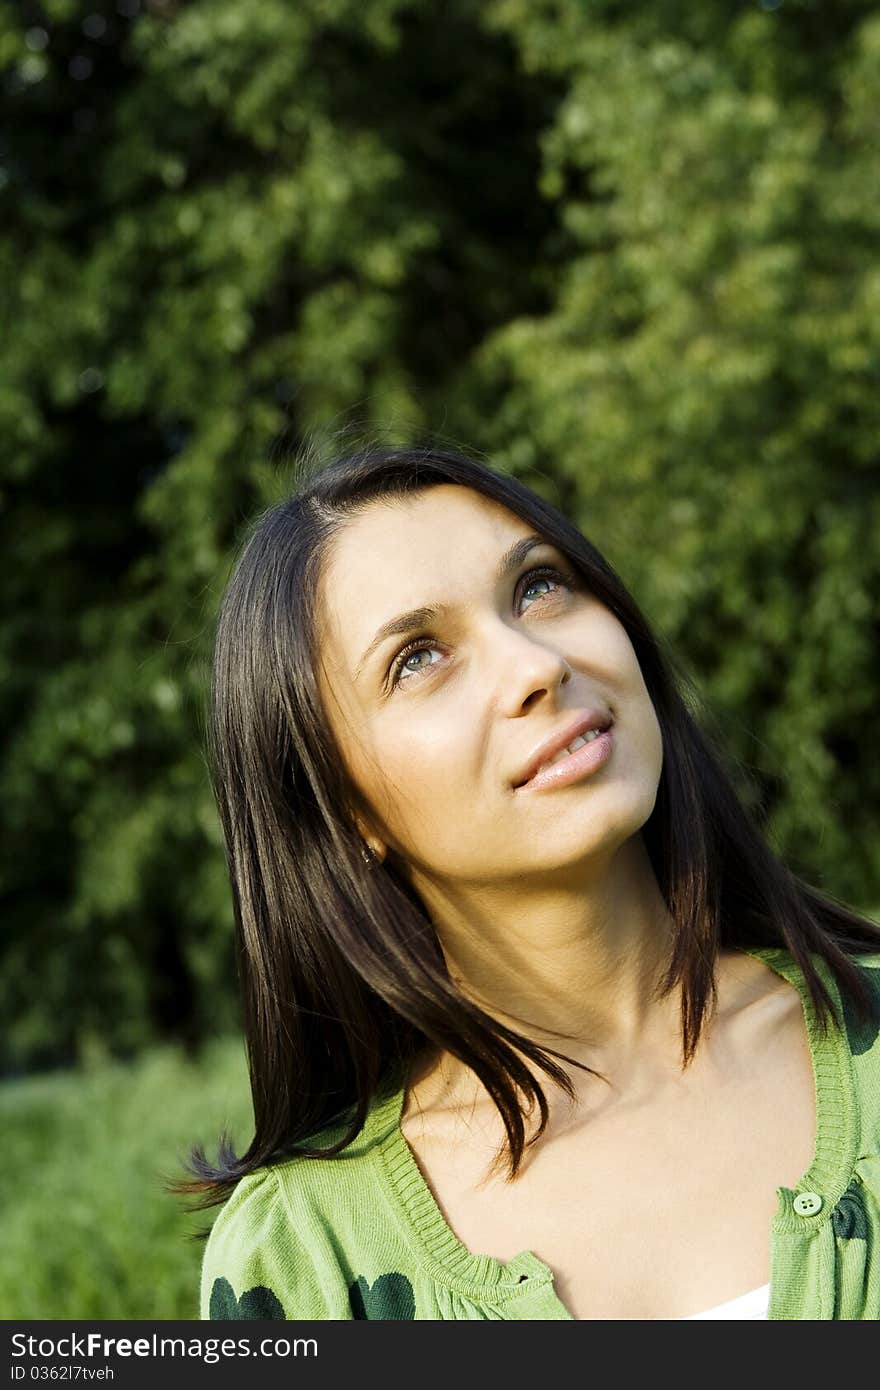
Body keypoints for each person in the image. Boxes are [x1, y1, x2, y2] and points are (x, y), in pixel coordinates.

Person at [178, 445, 880, 1320]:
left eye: (540, 586)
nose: (536, 665)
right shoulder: (304, 1260)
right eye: (418, 658)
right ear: (340, 808)